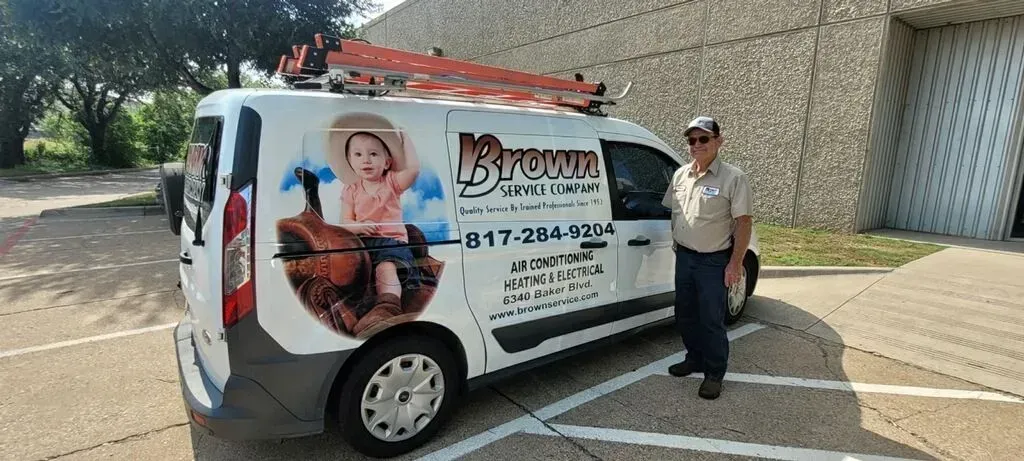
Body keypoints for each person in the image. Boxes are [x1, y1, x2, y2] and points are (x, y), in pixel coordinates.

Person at [661, 116, 753, 400]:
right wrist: (678, 243)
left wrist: (735, 263)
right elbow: (674, 213)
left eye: (703, 139)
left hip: (714, 261)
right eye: (692, 140)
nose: (696, 145)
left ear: (718, 141)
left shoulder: (733, 178)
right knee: (685, 314)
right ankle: (694, 358)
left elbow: (744, 223)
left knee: (711, 319)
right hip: (686, 258)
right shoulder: (680, 175)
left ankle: (714, 373)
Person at [328, 112, 421, 331]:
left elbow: (414, 170)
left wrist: (405, 138)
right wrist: (357, 227)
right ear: (350, 161)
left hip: (391, 242)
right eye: (358, 154)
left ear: (387, 162)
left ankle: (388, 307)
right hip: (363, 243)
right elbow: (345, 221)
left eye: (373, 154)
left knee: (385, 268)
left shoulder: (391, 183)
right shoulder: (351, 190)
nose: (366, 160)